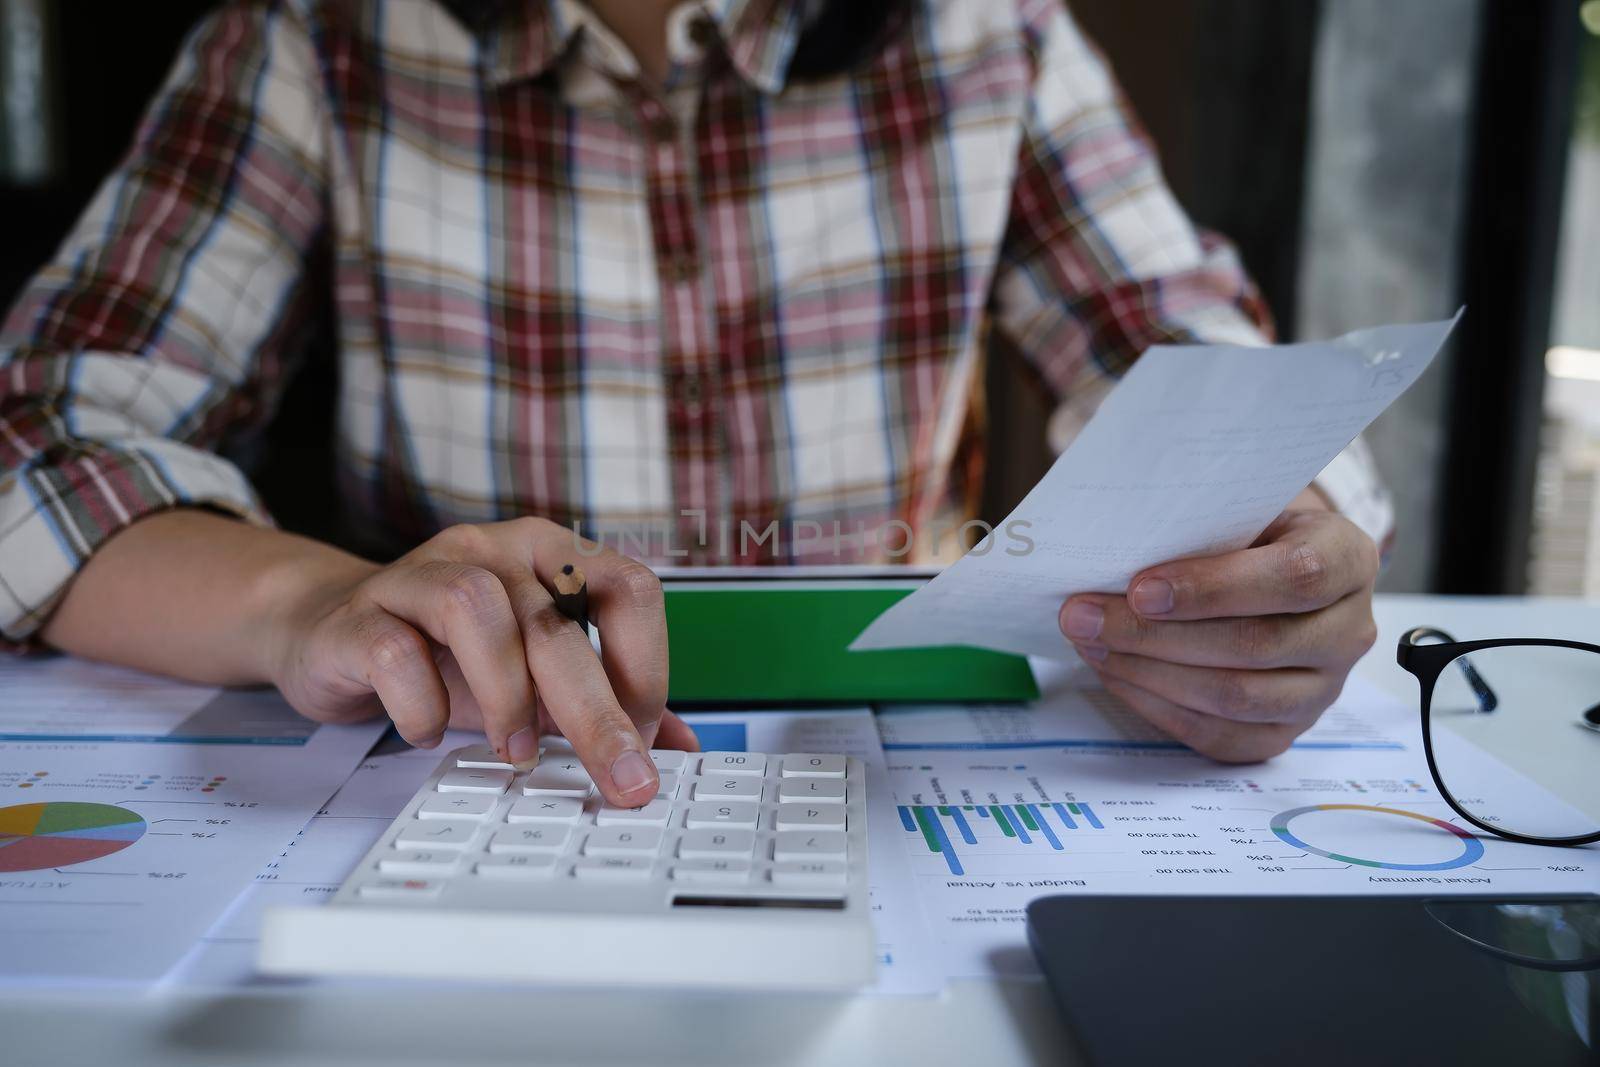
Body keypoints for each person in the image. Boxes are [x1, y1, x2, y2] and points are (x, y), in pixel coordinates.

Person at [0, 0, 1388, 807]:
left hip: (888, 763)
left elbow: (1192, 363)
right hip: (475, 761)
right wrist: (305, 606)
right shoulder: (317, 35)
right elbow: (38, 442)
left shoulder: (990, 28)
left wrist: (1279, 550)